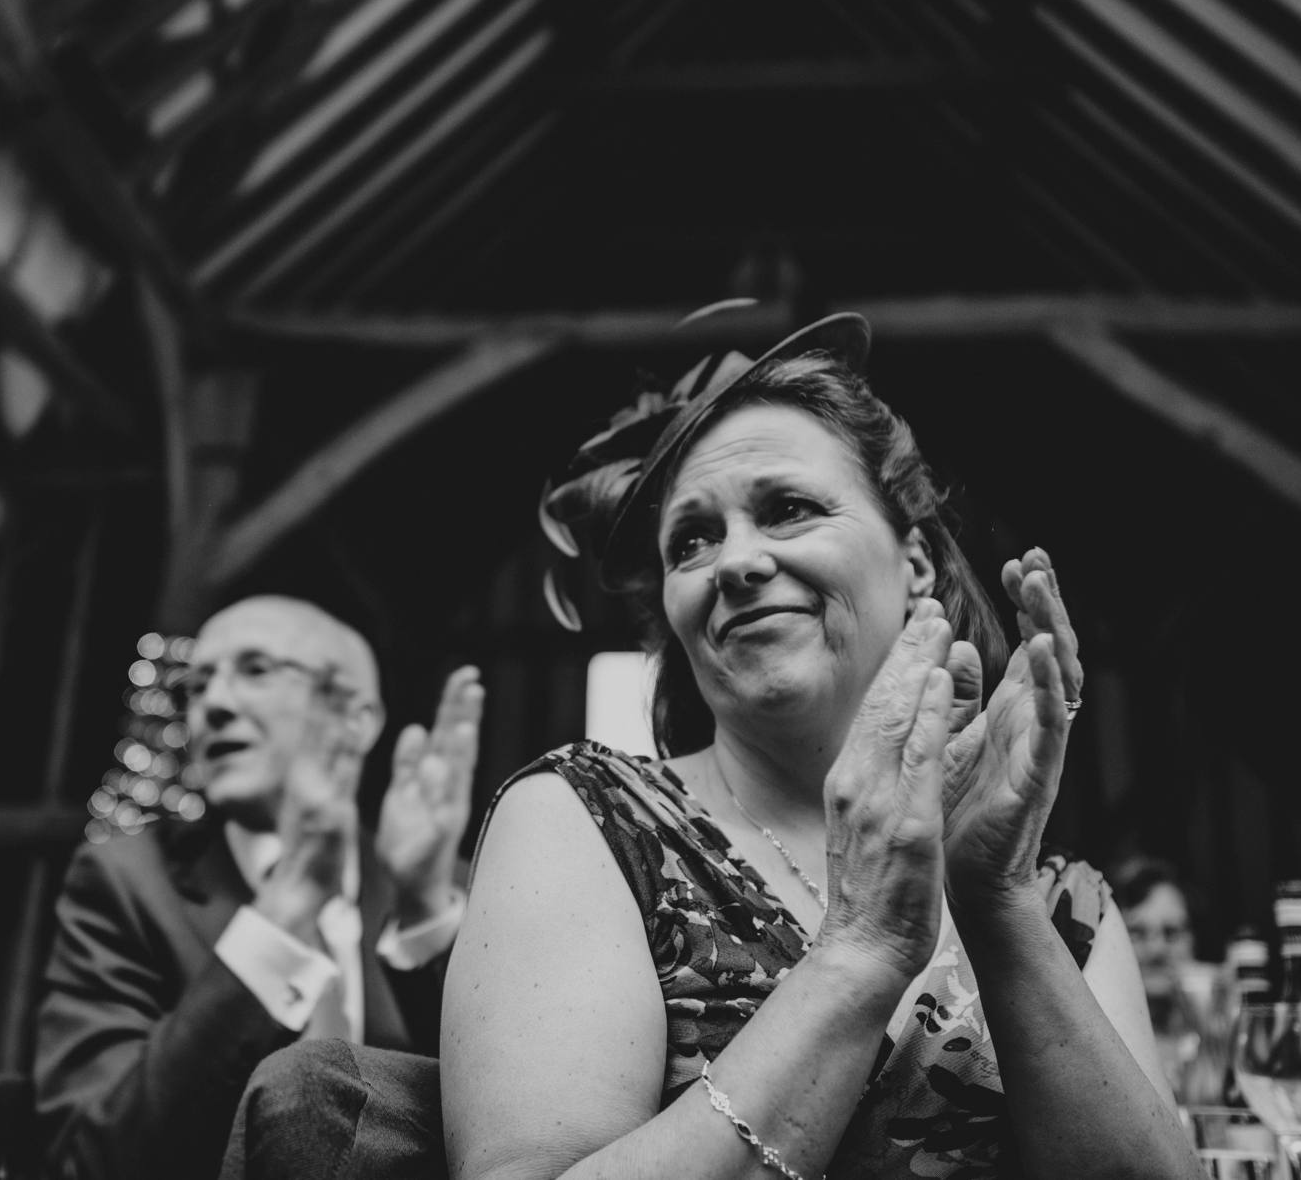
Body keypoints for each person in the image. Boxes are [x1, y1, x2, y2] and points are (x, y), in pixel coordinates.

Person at [440, 305, 1199, 1179]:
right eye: (692, 539)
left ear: (913, 562)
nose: (735, 561)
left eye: (789, 509)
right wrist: (860, 950)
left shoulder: (1064, 908)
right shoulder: (583, 825)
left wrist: (997, 903)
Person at [34, 594, 485, 1180]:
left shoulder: (445, 886)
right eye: (196, 686)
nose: (212, 705)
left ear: (355, 717)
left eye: (256, 671)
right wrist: (287, 906)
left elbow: (507, 1129)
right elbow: (95, 1162)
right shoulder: (126, 881)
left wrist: (423, 907)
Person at [1110, 854, 1225, 1106]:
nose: (1157, 948)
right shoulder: (1099, 1042)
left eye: (1171, 932)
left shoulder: (1223, 1023)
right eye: (1137, 932)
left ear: (1194, 940)